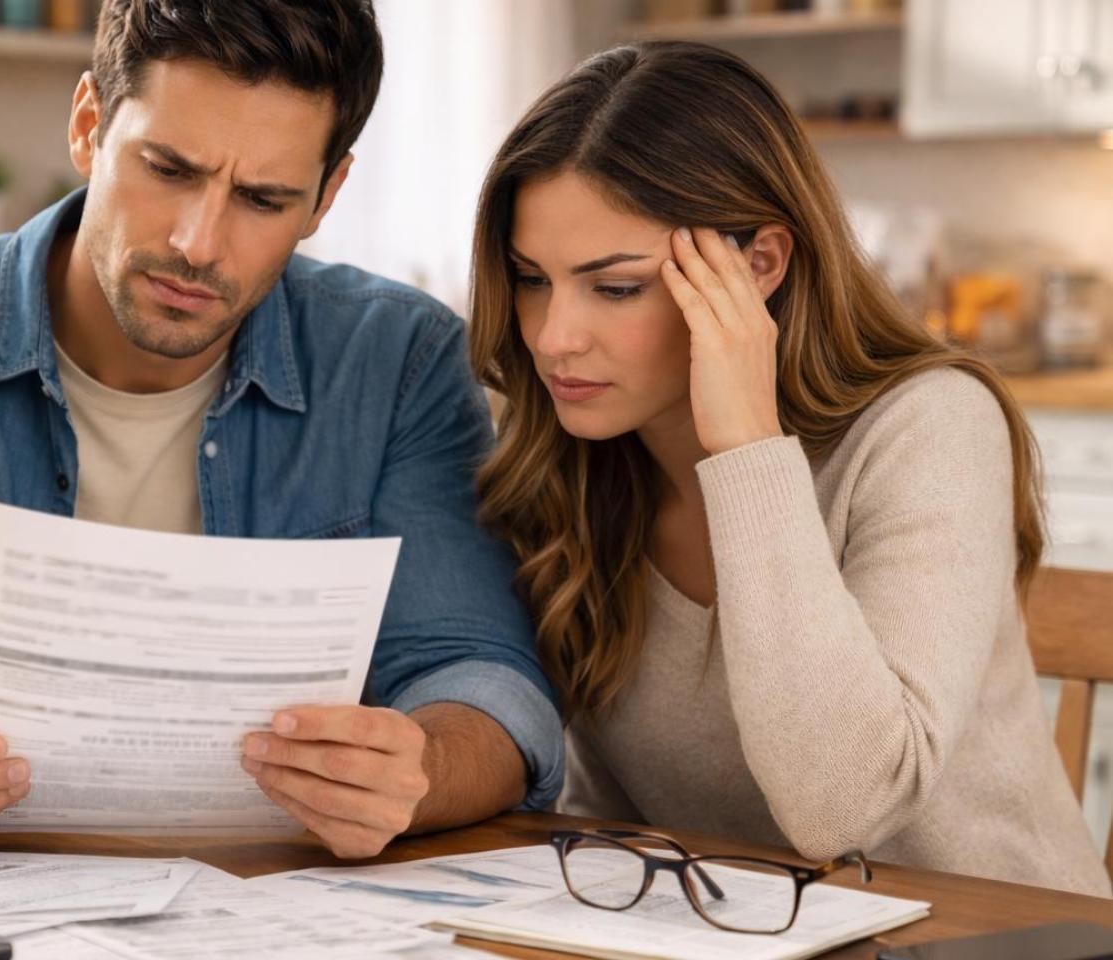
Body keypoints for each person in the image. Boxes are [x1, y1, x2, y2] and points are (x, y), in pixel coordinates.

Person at [0, 0, 564, 860]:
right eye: (168, 169)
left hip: (276, 904)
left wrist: (419, 770)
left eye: (263, 199)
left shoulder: (396, 359)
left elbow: (486, 680)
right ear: (90, 124)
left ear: (327, 196)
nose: (198, 243)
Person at [467, 41, 1109, 896]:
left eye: (615, 288)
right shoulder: (570, 460)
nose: (554, 338)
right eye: (530, 279)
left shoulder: (929, 426)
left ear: (760, 265)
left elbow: (841, 808)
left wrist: (747, 449)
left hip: (993, 939)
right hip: (736, 935)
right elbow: (604, 814)